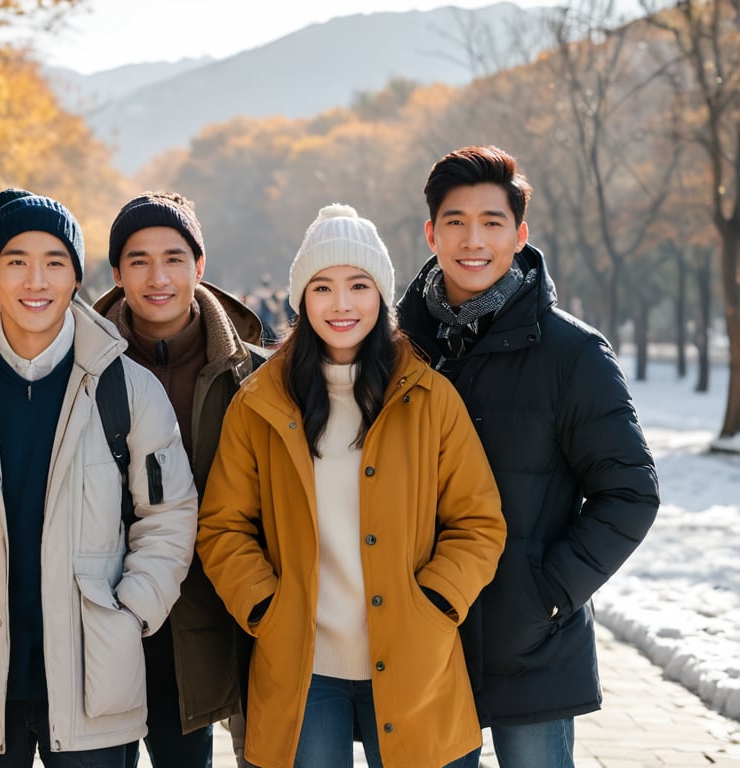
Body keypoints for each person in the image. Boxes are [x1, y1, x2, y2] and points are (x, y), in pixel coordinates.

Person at [0, 188, 199, 768]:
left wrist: (131, 615)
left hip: (92, 680)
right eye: (16, 262)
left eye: (55, 263)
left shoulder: (124, 386)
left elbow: (169, 515)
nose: (36, 281)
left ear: (75, 278)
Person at [198, 203, 507, 768]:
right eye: (322, 288)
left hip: (415, 654)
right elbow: (223, 526)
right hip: (303, 664)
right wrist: (265, 607)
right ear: (302, 299)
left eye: (359, 285)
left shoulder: (430, 398)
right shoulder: (261, 403)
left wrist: (437, 599)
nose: (341, 304)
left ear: (382, 297)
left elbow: (478, 520)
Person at [396, 145, 661, 768]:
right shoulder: (399, 349)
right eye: (456, 221)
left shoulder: (572, 353)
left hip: (534, 644)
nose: (473, 240)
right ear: (431, 232)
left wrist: (548, 594)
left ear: (520, 233)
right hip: (424, 635)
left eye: (492, 222)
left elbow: (630, 492)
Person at [93, 192, 266, 768]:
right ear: (116, 273)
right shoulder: (80, 367)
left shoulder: (253, 376)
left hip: (224, 618)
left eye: (173, 257)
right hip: (108, 617)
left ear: (200, 264)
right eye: (138, 260)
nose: (157, 276)